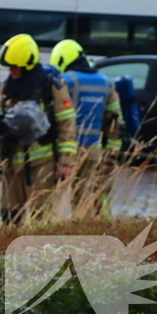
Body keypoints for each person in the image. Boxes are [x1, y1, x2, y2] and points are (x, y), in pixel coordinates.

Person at [0, 33, 77, 224]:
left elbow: (67, 126)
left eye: (14, 67)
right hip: (11, 164)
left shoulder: (51, 87)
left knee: (41, 219)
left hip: (42, 163)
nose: (11, 70)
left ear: (27, 64)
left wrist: (66, 163)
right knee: (9, 218)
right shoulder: (6, 87)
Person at [50, 39, 124, 217]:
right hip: (94, 151)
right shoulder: (107, 83)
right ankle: (96, 229)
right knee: (87, 202)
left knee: (49, 201)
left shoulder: (64, 81)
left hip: (66, 151)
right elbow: (115, 124)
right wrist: (110, 157)